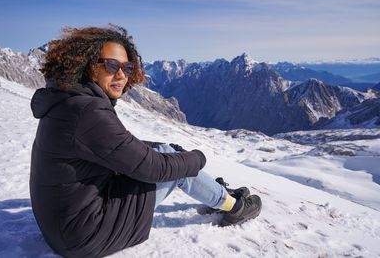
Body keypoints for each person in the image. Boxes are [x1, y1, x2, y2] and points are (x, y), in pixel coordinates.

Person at [30, 24, 262, 258]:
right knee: (176, 169)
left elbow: (117, 146)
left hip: (61, 226)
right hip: (84, 235)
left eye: (127, 67)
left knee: (167, 153)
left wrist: (171, 153)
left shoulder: (71, 100)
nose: (121, 74)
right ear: (89, 66)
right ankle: (235, 207)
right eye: (111, 65)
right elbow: (155, 169)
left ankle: (216, 192)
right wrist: (196, 159)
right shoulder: (88, 110)